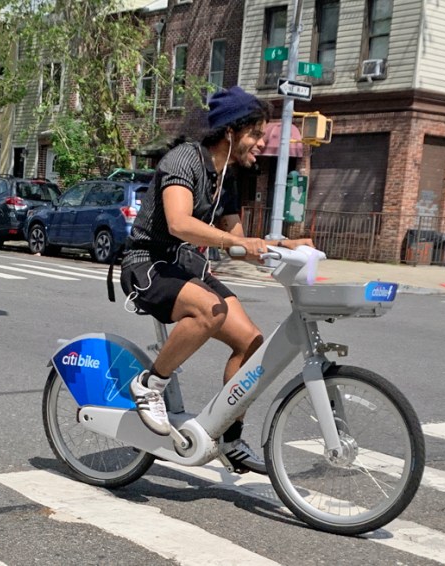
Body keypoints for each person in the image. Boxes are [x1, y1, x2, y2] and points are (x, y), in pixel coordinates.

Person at [120, 86, 312, 474]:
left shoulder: (226, 176)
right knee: (211, 310)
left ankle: (229, 437)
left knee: (251, 343)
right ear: (230, 131)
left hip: (187, 267)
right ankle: (150, 384)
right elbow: (179, 223)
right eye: (255, 134)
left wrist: (281, 246)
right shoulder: (184, 160)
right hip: (148, 264)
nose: (262, 143)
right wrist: (233, 242)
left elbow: (237, 242)